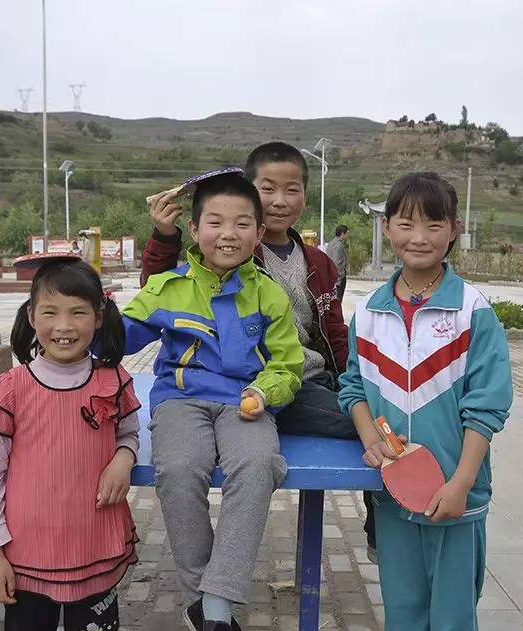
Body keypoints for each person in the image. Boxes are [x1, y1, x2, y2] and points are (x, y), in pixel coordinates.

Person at [143, 142, 379, 560]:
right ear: (249, 193)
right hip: (258, 385)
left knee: (374, 408)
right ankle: (385, 513)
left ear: (305, 196)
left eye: (292, 190)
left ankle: (382, 518)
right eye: (267, 189)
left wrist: (353, 385)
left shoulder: (320, 263)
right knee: (370, 425)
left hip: (310, 379)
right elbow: (161, 290)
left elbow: (335, 333)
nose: (279, 201)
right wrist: (164, 237)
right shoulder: (232, 252)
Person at [122, 171, 304, 631]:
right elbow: (118, 338)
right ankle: (206, 601)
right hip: (180, 401)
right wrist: (87, 309)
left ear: (259, 233)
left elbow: (287, 364)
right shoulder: (167, 288)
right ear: (197, 230)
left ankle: (215, 605)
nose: (228, 234)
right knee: (180, 469)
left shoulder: (269, 294)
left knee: (260, 464)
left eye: (242, 224)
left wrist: (266, 391)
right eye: (216, 223)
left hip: (246, 402)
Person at [338, 172, 513, 630]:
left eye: (434, 225)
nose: (419, 238)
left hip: (456, 497)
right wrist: (370, 437)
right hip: (393, 495)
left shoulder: (473, 311)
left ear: (454, 229)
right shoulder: (370, 312)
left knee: (453, 618)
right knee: (403, 613)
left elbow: (487, 407)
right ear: (386, 228)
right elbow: (353, 387)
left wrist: (460, 484)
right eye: (406, 224)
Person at [0, 256, 140, 631]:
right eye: (50, 312)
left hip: (95, 546)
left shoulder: (112, 381)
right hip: (25, 555)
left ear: (98, 316)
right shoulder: (10, 391)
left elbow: (129, 432)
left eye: (78, 312)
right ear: (31, 316)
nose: (64, 326)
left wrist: (123, 459)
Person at [325, 224, 349, 301]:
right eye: (347, 233)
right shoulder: (338, 246)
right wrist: (338, 280)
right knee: (338, 300)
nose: (347, 235)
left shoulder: (331, 243)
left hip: (331, 277)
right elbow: (336, 263)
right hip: (338, 279)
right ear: (342, 233)